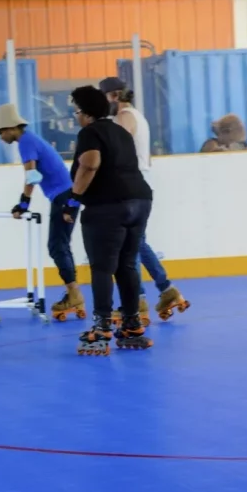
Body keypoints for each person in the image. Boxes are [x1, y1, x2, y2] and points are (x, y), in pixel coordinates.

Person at [66, 86, 154, 355]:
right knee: (127, 264)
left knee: (102, 267)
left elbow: (90, 164)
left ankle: (102, 327)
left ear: (87, 113)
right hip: (140, 201)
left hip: (107, 206)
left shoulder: (90, 133)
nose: (76, 117)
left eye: (77, 112)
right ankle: (132, 324)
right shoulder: (120, 131)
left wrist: (73, 199)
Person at [100, 77, 190, 324]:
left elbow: (115, 149)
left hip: (129, 186)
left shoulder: (125, 117)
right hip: (139, 184)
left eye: (104, 97)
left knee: (129, 244)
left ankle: (137, 300)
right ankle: (166, 290)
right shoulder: (137, 115)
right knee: (138, 242)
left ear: (114, 96)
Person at [0, 103, 85, 321]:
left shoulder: (25, 143)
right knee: (61, 245)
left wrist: (23, 203)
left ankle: (75, 294)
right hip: (67, 195)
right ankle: (74, 293)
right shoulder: (30, 139)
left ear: (11, 128)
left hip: (62, 197)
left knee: (56, 246)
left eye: (1, 132)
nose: (0, 137)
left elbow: (32, 176)